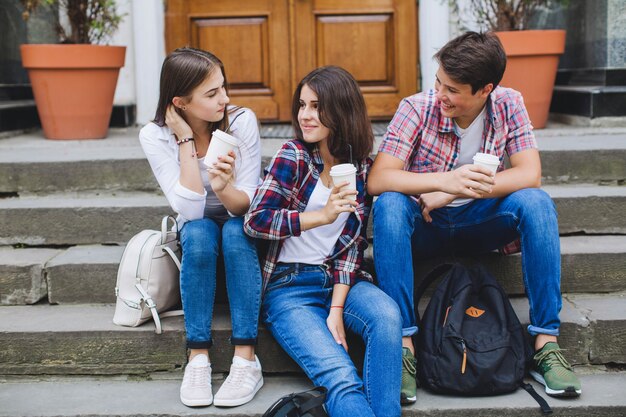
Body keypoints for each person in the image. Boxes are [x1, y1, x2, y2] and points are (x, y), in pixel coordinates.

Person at [368, 31, 582, 401]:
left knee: (537, 203)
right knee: (388, 204)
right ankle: (405, 347)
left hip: (481, 223)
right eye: (438, 82)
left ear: (484, 90)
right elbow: (379, 178)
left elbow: (529, 174)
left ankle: (545, 342)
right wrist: (443, 180)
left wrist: (455, 190)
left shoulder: (508, 104)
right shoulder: (416, 108)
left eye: (452, 89)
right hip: (426, 225)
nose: (440, 95)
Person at [244, 66, 402, 417]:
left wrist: (335, 309)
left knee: (388, 317)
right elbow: (256, 220)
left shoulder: (361, 168)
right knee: (341, 376)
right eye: (302, 105)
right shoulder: (293, 156)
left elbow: (352, 248)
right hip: (289, 288)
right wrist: (321, 216)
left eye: (316, 106)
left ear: (341, 109)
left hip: (338, 283)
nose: (305, 115)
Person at [139, 47, 264, 408]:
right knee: (198, 233)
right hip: (198, 229)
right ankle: (198, 357)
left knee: (234, 231)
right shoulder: (155, 135)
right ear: (180, 102)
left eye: (223, 88)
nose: (224, 99)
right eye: (211, 94)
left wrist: (223, 186)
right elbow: (191, 210)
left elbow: (247, 204)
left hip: (239, 218)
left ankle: (245, 357)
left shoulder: (241, 122)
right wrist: (185, 140)